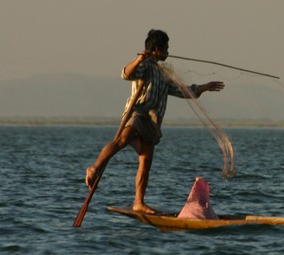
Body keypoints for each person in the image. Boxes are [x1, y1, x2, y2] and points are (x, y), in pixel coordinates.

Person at [84, 29, 224, 213]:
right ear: (157, 49)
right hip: (138, 113)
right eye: (166, 48)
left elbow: (185, 91)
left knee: (146, 160)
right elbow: (126, 74)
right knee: (121, 140)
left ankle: (138, 202)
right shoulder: (146, 65)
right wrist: (139, 59)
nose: (168, 51)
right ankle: (94, 168)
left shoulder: (164, 73)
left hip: (152, 122)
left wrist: (205, 87)